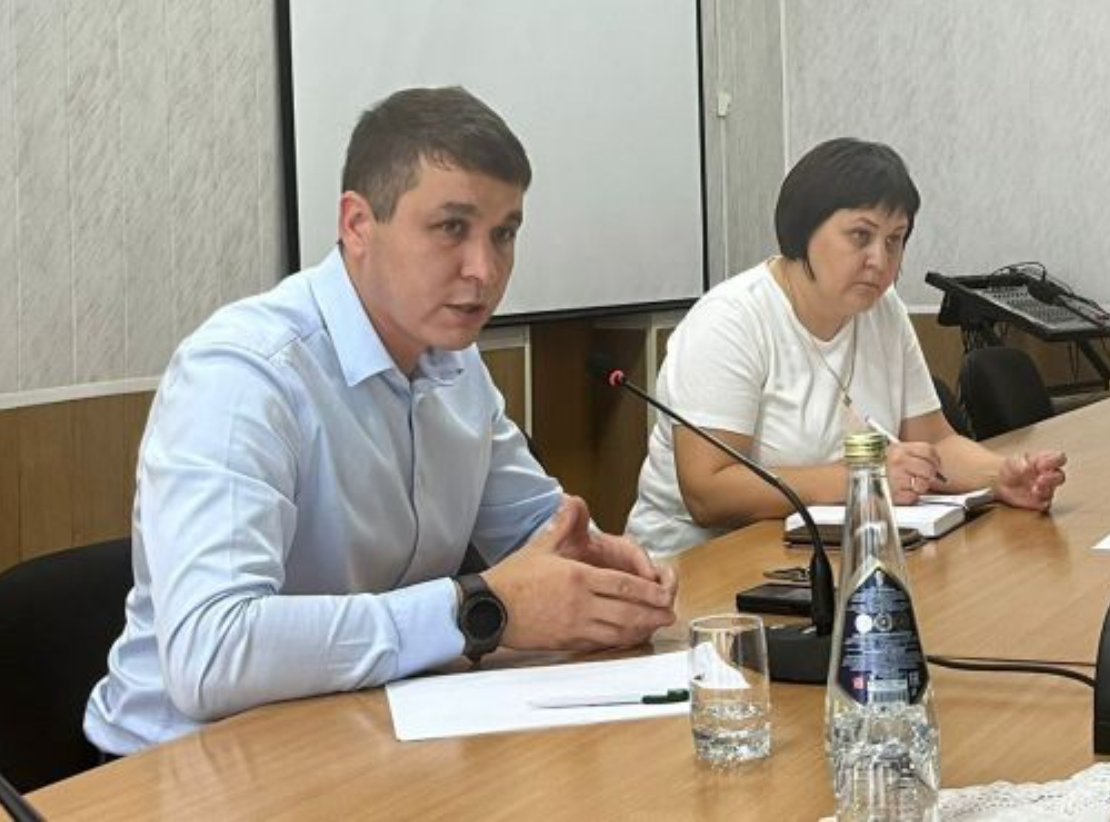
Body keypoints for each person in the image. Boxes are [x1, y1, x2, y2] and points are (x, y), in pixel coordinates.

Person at [86, 87, 678, 754]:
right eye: (451, 228)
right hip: (179, 765)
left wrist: (606, 573)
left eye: (504, 234)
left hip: (362, 728)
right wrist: (480, 609)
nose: (484, 270)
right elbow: (212, 656)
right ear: (358, 224)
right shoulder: (245, 374)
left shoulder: (454, 364)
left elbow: (542, 535)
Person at [626, 138, 1067, 556]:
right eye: (860, 236)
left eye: (895, 240)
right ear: (802, 230)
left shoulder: (883, 310)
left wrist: (1000, 475)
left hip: (823, 549)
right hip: (696, 566)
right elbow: (709, 491)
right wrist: (863, 480)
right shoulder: (730, 320)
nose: (880, 260)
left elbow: (935, 441)